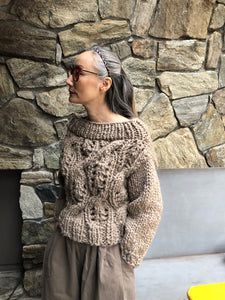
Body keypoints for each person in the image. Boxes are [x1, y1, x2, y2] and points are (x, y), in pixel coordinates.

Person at [41, 45, 163, 300]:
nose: (68, 80)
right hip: (64, 251)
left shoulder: (134, 138)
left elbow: (148, 205)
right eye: (69, 72)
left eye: (77, 73)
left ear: (104, 83)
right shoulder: (74, 131)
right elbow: (67, 192)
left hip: (109, 256)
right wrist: (58, 232)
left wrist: (126, 256)